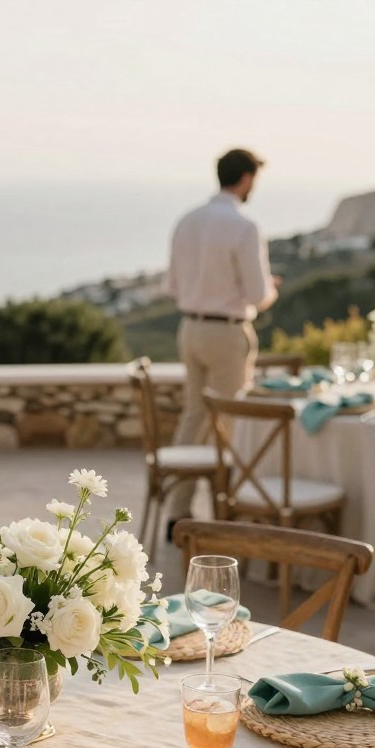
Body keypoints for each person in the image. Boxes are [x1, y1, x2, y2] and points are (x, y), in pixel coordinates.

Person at [164, 148, 278, 530]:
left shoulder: (186, 221)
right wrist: (271, 289)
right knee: (229, 420)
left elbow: (174, 285)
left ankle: (176, 513)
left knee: (193, 415)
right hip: (226, 332)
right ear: (245, 178)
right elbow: (257, 295)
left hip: (189, 329)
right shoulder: (243, 226)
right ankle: (225, 514)